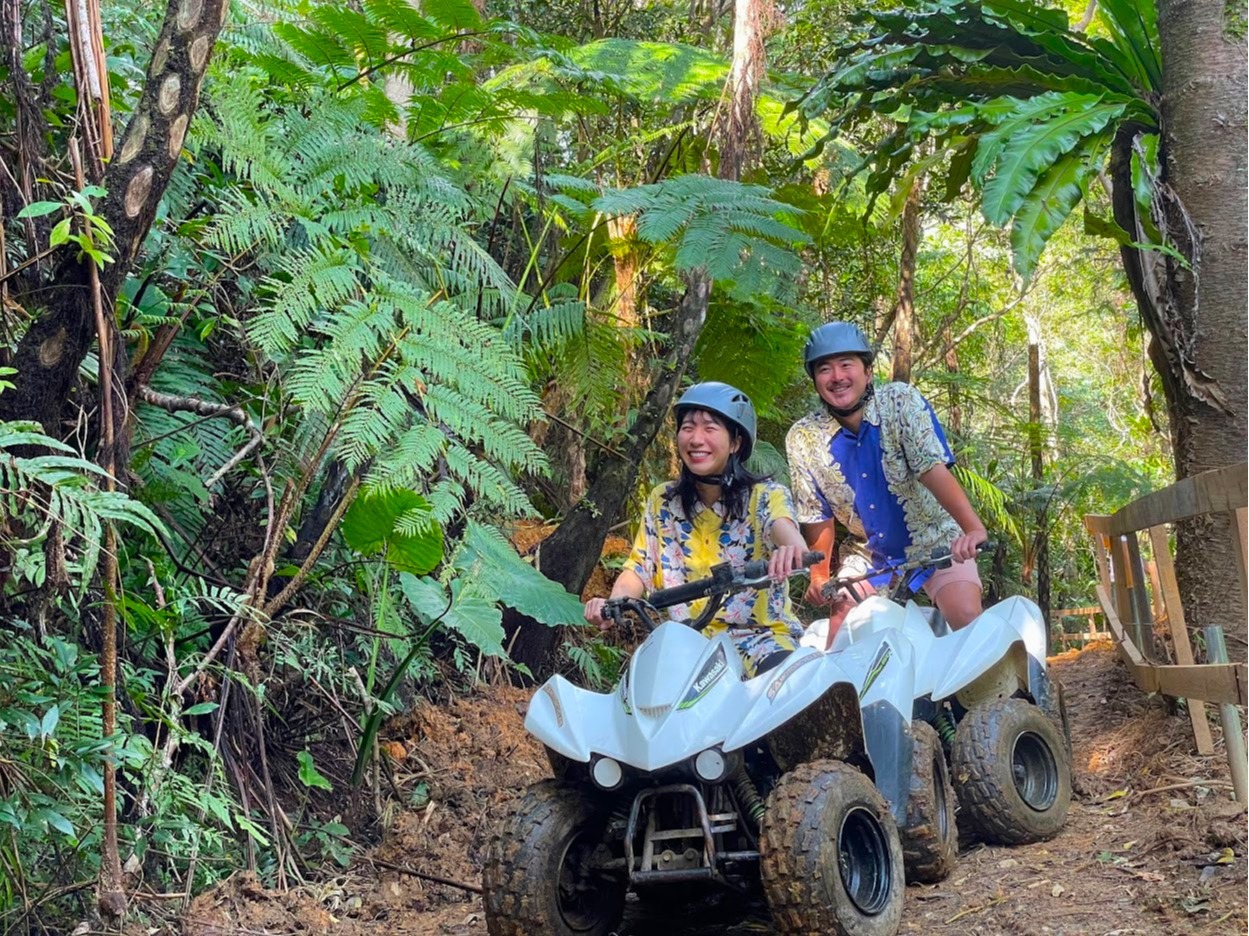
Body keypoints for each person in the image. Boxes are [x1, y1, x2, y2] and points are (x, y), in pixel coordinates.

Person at [585, 382, 810, 677]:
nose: (696, 439)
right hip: (687, 648)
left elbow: (783, 529)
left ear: (735, 442)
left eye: (710, 428)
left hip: (761, 640)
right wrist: (613, 604)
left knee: (789, 695)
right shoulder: (662, 501)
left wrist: (792, 549)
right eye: (688, 427)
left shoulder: (766, 496)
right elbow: (639, 567)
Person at [785, 322, 988, 640]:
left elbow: (932, 469)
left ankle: (998, 687)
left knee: (965, 616)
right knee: (841, 633)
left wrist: (973, 529)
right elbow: (816, 515)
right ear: (815, 381)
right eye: (825, 369)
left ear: (867, 372)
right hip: (870, 553)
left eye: (846, 365)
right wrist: (819, 575)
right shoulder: (803, 437)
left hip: (935, 538)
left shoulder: (899, 402)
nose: (837, 377)